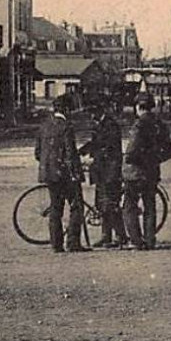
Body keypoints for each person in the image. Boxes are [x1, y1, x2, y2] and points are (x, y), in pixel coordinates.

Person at [34, 95, 87, 253]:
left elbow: (37, 153)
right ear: (66, 109)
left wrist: (49, 164)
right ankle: (73, 242)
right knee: (77, 205)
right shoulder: (66, 127)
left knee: (56, 207)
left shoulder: (44, 126)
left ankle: (56, 244)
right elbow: (71, 153)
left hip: (49, 174)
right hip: (65, 173)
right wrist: (77, 172)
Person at [122, 94, 171, 250]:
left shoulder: (138, 125)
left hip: (135, 173)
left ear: (138, 107)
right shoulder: (160, 125)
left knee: (129, 206)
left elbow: (131, 152)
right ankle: (150, 240)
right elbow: (169, 151)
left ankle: (136, 241)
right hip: (151, 172)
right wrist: (153, 160)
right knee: (150, 206)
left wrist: (131, 159)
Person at [80, 103, 126, 248]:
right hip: (101, 170)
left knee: (111, 204)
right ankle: (106, 237)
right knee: (102, 205)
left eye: (93, 112)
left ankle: (120, 236)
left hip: (110, 171)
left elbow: (108, 147)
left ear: (100, 110)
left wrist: (93, 157)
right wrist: (80, 152)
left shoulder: (111, 125)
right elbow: (94, 143)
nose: (91, 115)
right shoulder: (98, 125)